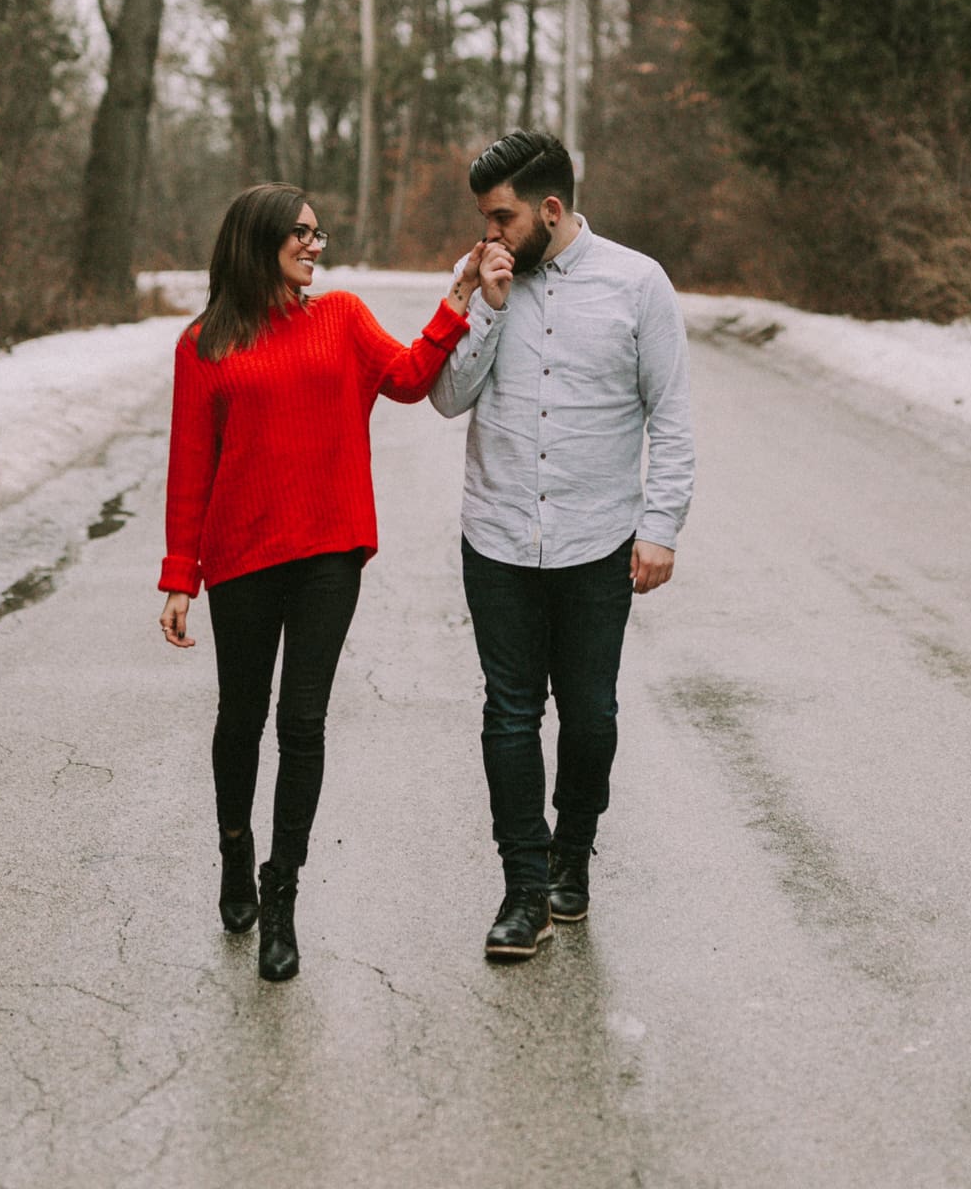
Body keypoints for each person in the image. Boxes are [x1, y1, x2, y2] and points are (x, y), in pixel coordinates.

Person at [159, 182, 484, 983]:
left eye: (318, 233)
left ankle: (282, 895)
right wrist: (179, 576)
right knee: (242, 718)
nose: (314, 245)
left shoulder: (339, 319)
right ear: (257, 240)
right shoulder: (204, 344)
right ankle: (235, 851)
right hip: (239, 556)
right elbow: (189, 467)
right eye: (300, 234)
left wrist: (457, 299)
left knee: (302, 724)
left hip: (328, 553)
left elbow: (408, 379)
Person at [431, 129, 695, 961]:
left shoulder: (637, 283)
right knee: (509, 714)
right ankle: (523, 889)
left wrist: (660, 527)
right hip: (498, 533)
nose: (490, 233)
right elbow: (445, 398)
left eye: (502, 217)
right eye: (483, 218)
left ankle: (571, 853)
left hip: (595, 540)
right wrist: (487, 309)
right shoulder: (480, 280)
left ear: (549, 209)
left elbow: (673, 416)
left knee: (590, 716)